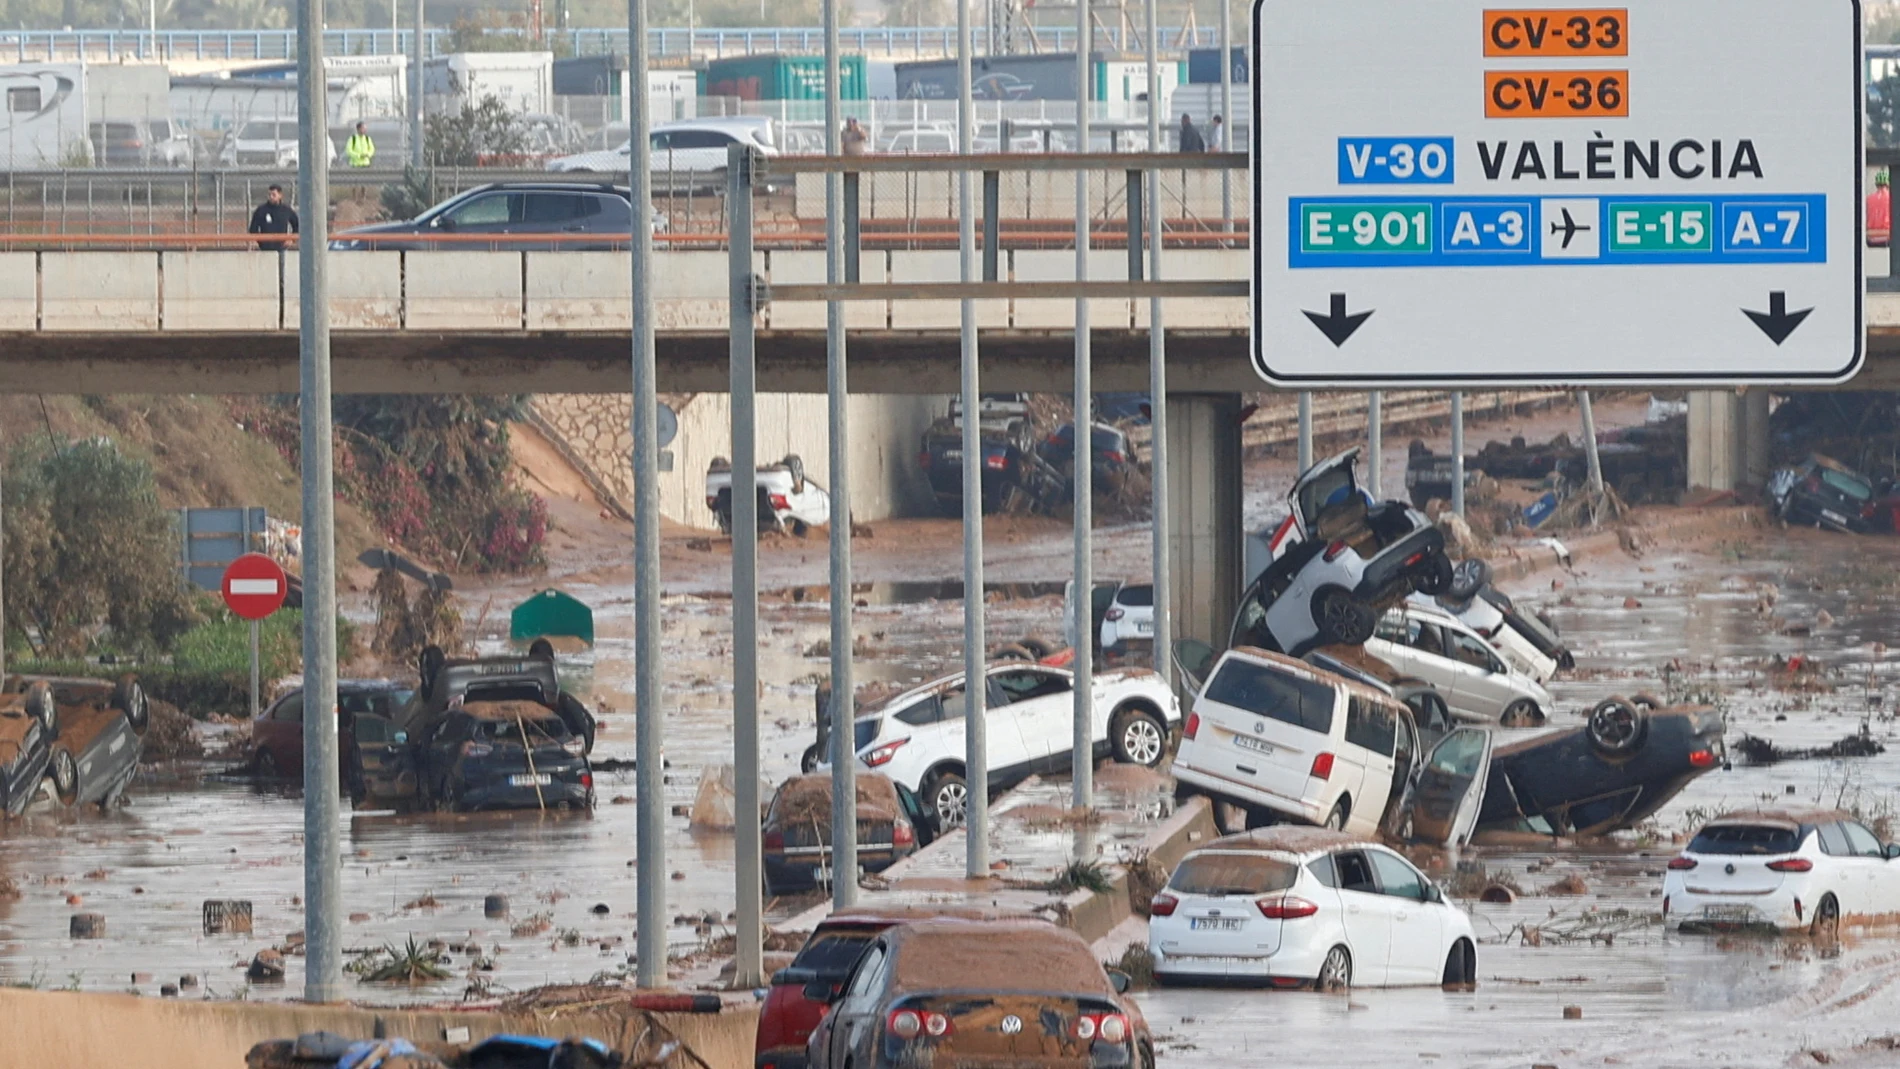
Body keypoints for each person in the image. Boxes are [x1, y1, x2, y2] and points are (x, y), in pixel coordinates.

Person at [247, 185, 299, 249]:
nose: (271, 197)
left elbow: (297, 225)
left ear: (280, 195)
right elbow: (253, 228)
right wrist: (260, 242)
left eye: (274, 195)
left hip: (282, 248)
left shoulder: (286, 210)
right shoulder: (261, 210)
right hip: (265, 248)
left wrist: (292, 240)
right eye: (269, 195)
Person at [1870, 170, 1891, 249]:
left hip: (1871, 237)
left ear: (1876, 185)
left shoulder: (1868, 199)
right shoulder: (1892, 198)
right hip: (1887, 235)